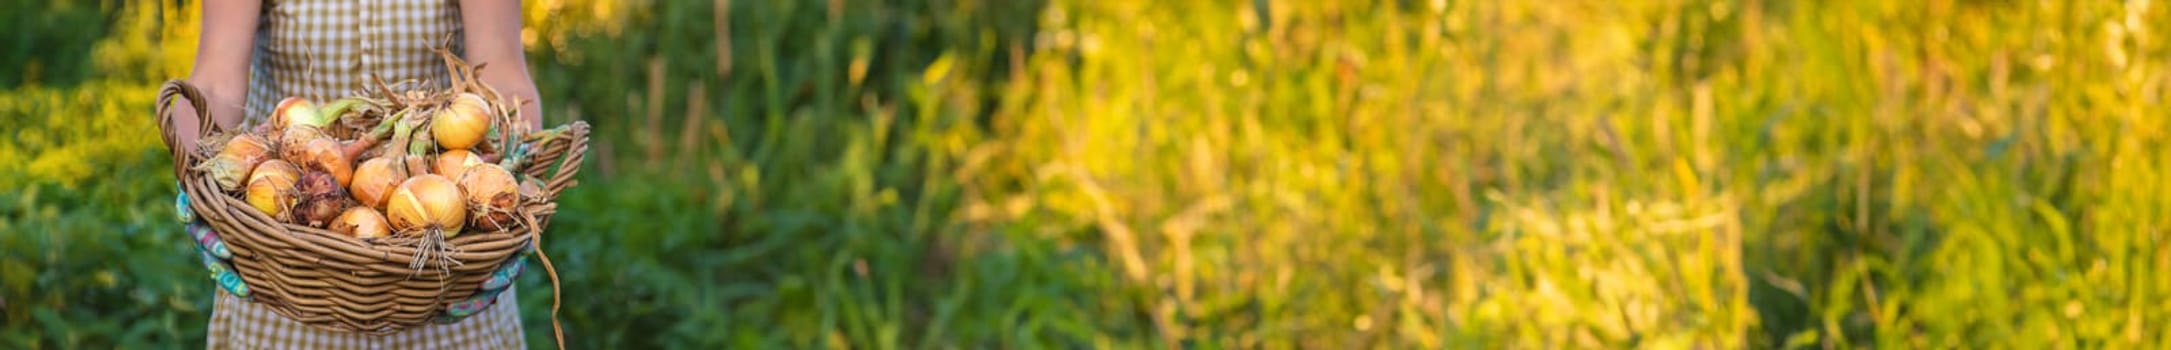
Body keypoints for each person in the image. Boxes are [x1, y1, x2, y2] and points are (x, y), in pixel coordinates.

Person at [169, 1, 544, 348]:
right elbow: (216, 82)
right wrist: (199, 180)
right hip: (283, 256)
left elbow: (504, 79)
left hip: (447, 271)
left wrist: (515, 200)